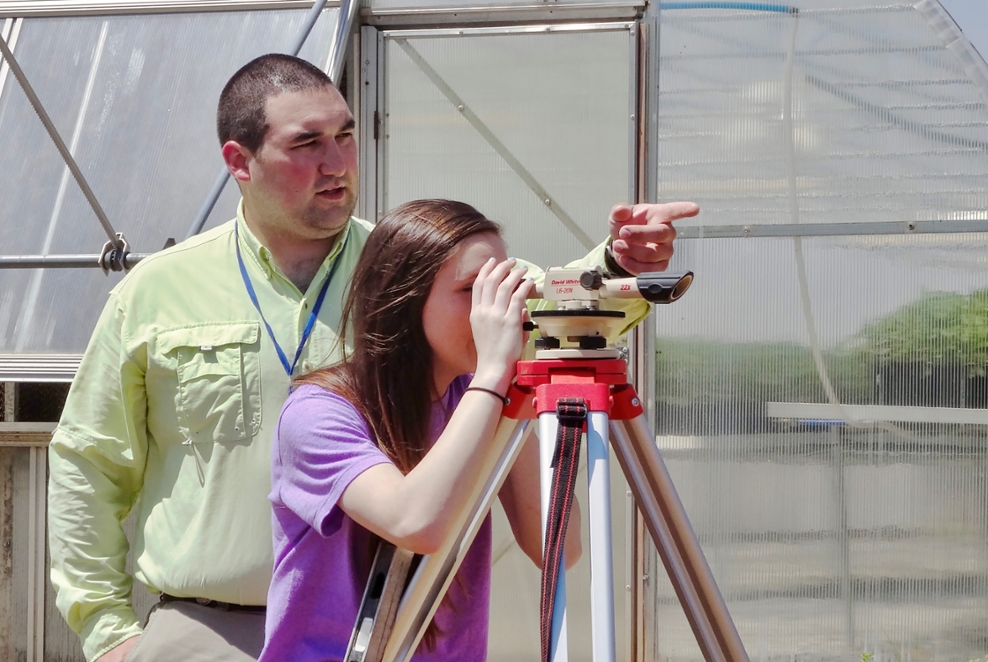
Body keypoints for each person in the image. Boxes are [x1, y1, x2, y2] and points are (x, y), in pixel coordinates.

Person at [47, 53, 700, 662]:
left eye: (346, 136)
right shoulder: (157, 290)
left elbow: (542, 298)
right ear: (239, 161)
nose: (338, 162)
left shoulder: (412, 264)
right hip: (210, 627)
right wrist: (107, 631)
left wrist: (618, 263)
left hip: (407, 617)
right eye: (307, 143)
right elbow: (90, 460)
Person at [258, 199, 576, 662]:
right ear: (404, 301)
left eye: (503, 288)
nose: (497, 310)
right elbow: (415, 523)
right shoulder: (317, 414)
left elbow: (559, 548)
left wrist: (513, 383)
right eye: (473, 289)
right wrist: (493, 377)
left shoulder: (478, 397)